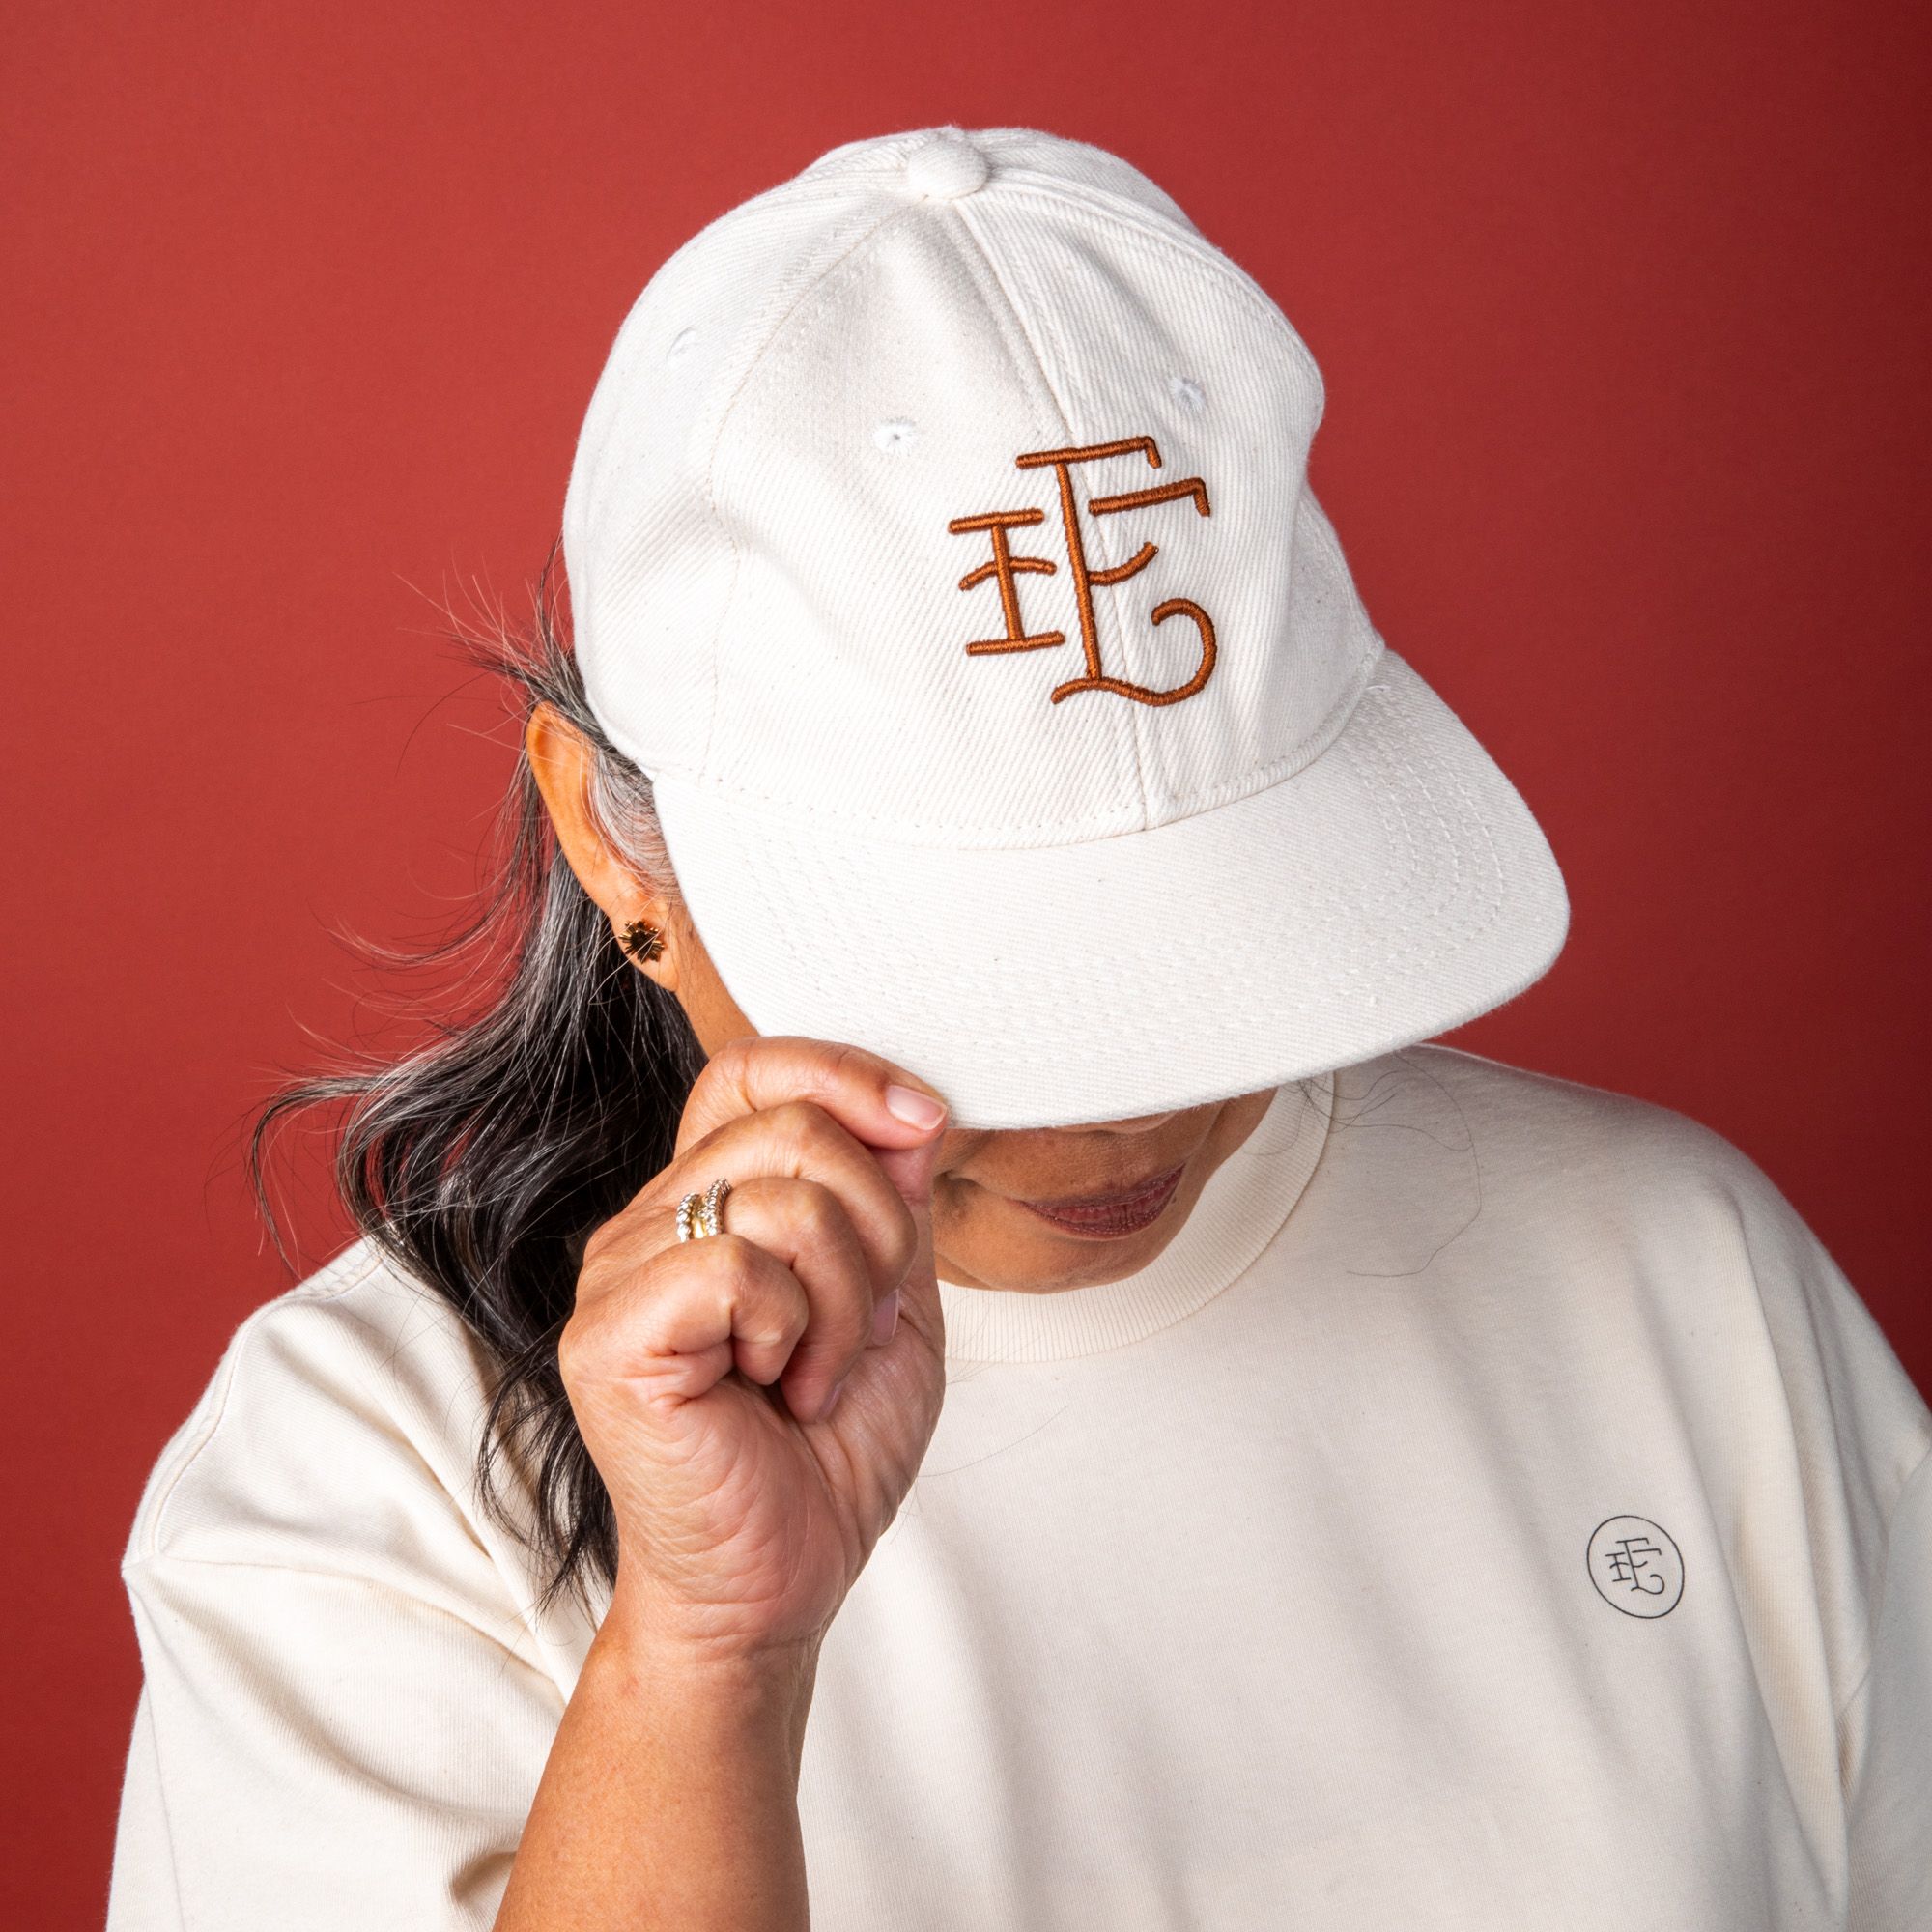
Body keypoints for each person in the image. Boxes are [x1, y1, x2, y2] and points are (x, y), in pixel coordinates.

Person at [106, 125, 1930, 1931]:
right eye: (965, 985)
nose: (1113, 1124)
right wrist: (706, 1665)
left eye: (1210, 941)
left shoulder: (1680, 1282)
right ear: (610, 836)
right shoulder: (377, 1469)